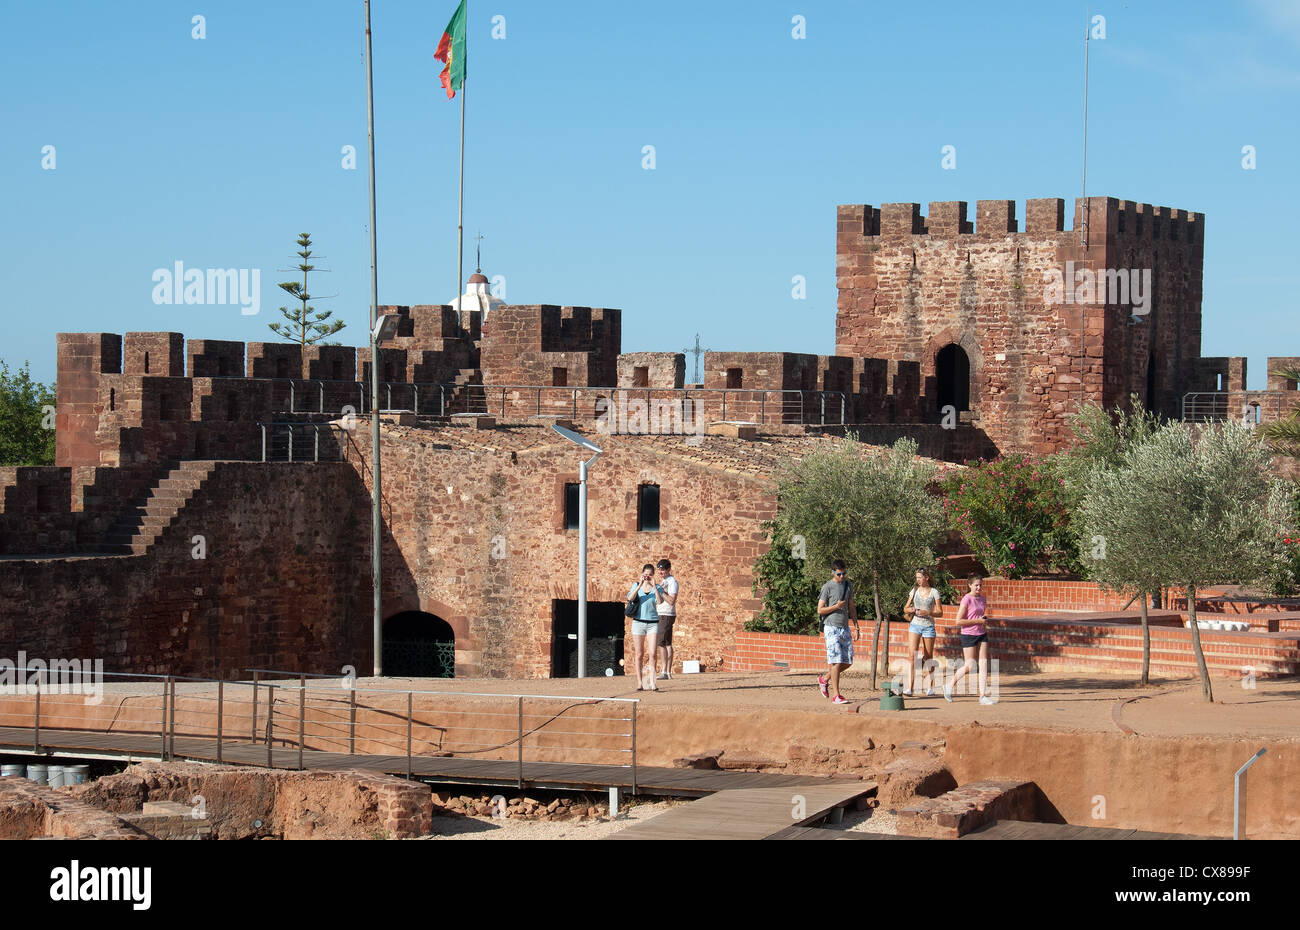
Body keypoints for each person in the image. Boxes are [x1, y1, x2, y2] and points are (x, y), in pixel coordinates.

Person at [945, 573, 995, 705]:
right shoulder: (966, 599)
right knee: (970, 665)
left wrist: (983, 621)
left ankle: (982, 696)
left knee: (983, 664)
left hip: (981, 633)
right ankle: (949, 685)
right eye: (976, 585)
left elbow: (979, 616)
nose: (978, 587)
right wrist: (977, 621)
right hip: (968, 634)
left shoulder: (982, 599)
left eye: (980, 585)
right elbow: (958, 621)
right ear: (970, 585)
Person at [816, 560, 859, 705]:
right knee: (836, 661)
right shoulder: (827, 587)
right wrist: (836, 606)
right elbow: (820, 609)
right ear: (833, 572)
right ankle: (837, 695)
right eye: (839, 574)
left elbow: (851, 607)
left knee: (848, 661)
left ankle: (824, 679)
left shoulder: (848, 585)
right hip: (831, 626)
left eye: (844, 573)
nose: (842, 576)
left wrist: (856, 627)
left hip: (844, 626)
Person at [902, 568, 943, 696]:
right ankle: (910, 687)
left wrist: (928, 612)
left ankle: (930, 686)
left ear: (927, 578)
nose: (918, 580)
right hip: (915, 625)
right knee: (911, 656)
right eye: (917, 577)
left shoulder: (934, 592)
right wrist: (912, 609)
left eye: (920, 577)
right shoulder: (914, 590)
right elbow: (905, 608)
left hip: (928, 626)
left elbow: (940, 612)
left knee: (928, 657)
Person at [627, 563, 665, 691]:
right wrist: (639, 585)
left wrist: (654, 586)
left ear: (653, 575)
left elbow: (659, 602)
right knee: (639, 654)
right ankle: (639, 682)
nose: (647, 577)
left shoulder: (657, 588)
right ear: (642, 574)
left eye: (649, 575)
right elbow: (631, 598)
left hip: (653, 623)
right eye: (645, 574)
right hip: (638, 623)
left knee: (653, 653)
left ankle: (652, 682)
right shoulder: (636, 586)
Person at [654, 559, 679, 680]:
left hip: (666, 614)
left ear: (668, 569)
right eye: (659, 569)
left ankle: (664, 671)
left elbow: (672, 601)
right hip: (663, 614)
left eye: (662, 569)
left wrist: (660, 590)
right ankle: (667, 672)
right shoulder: (665, 581)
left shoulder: (672, 582)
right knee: (668, 643)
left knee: (661, 643)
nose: (660, 572)